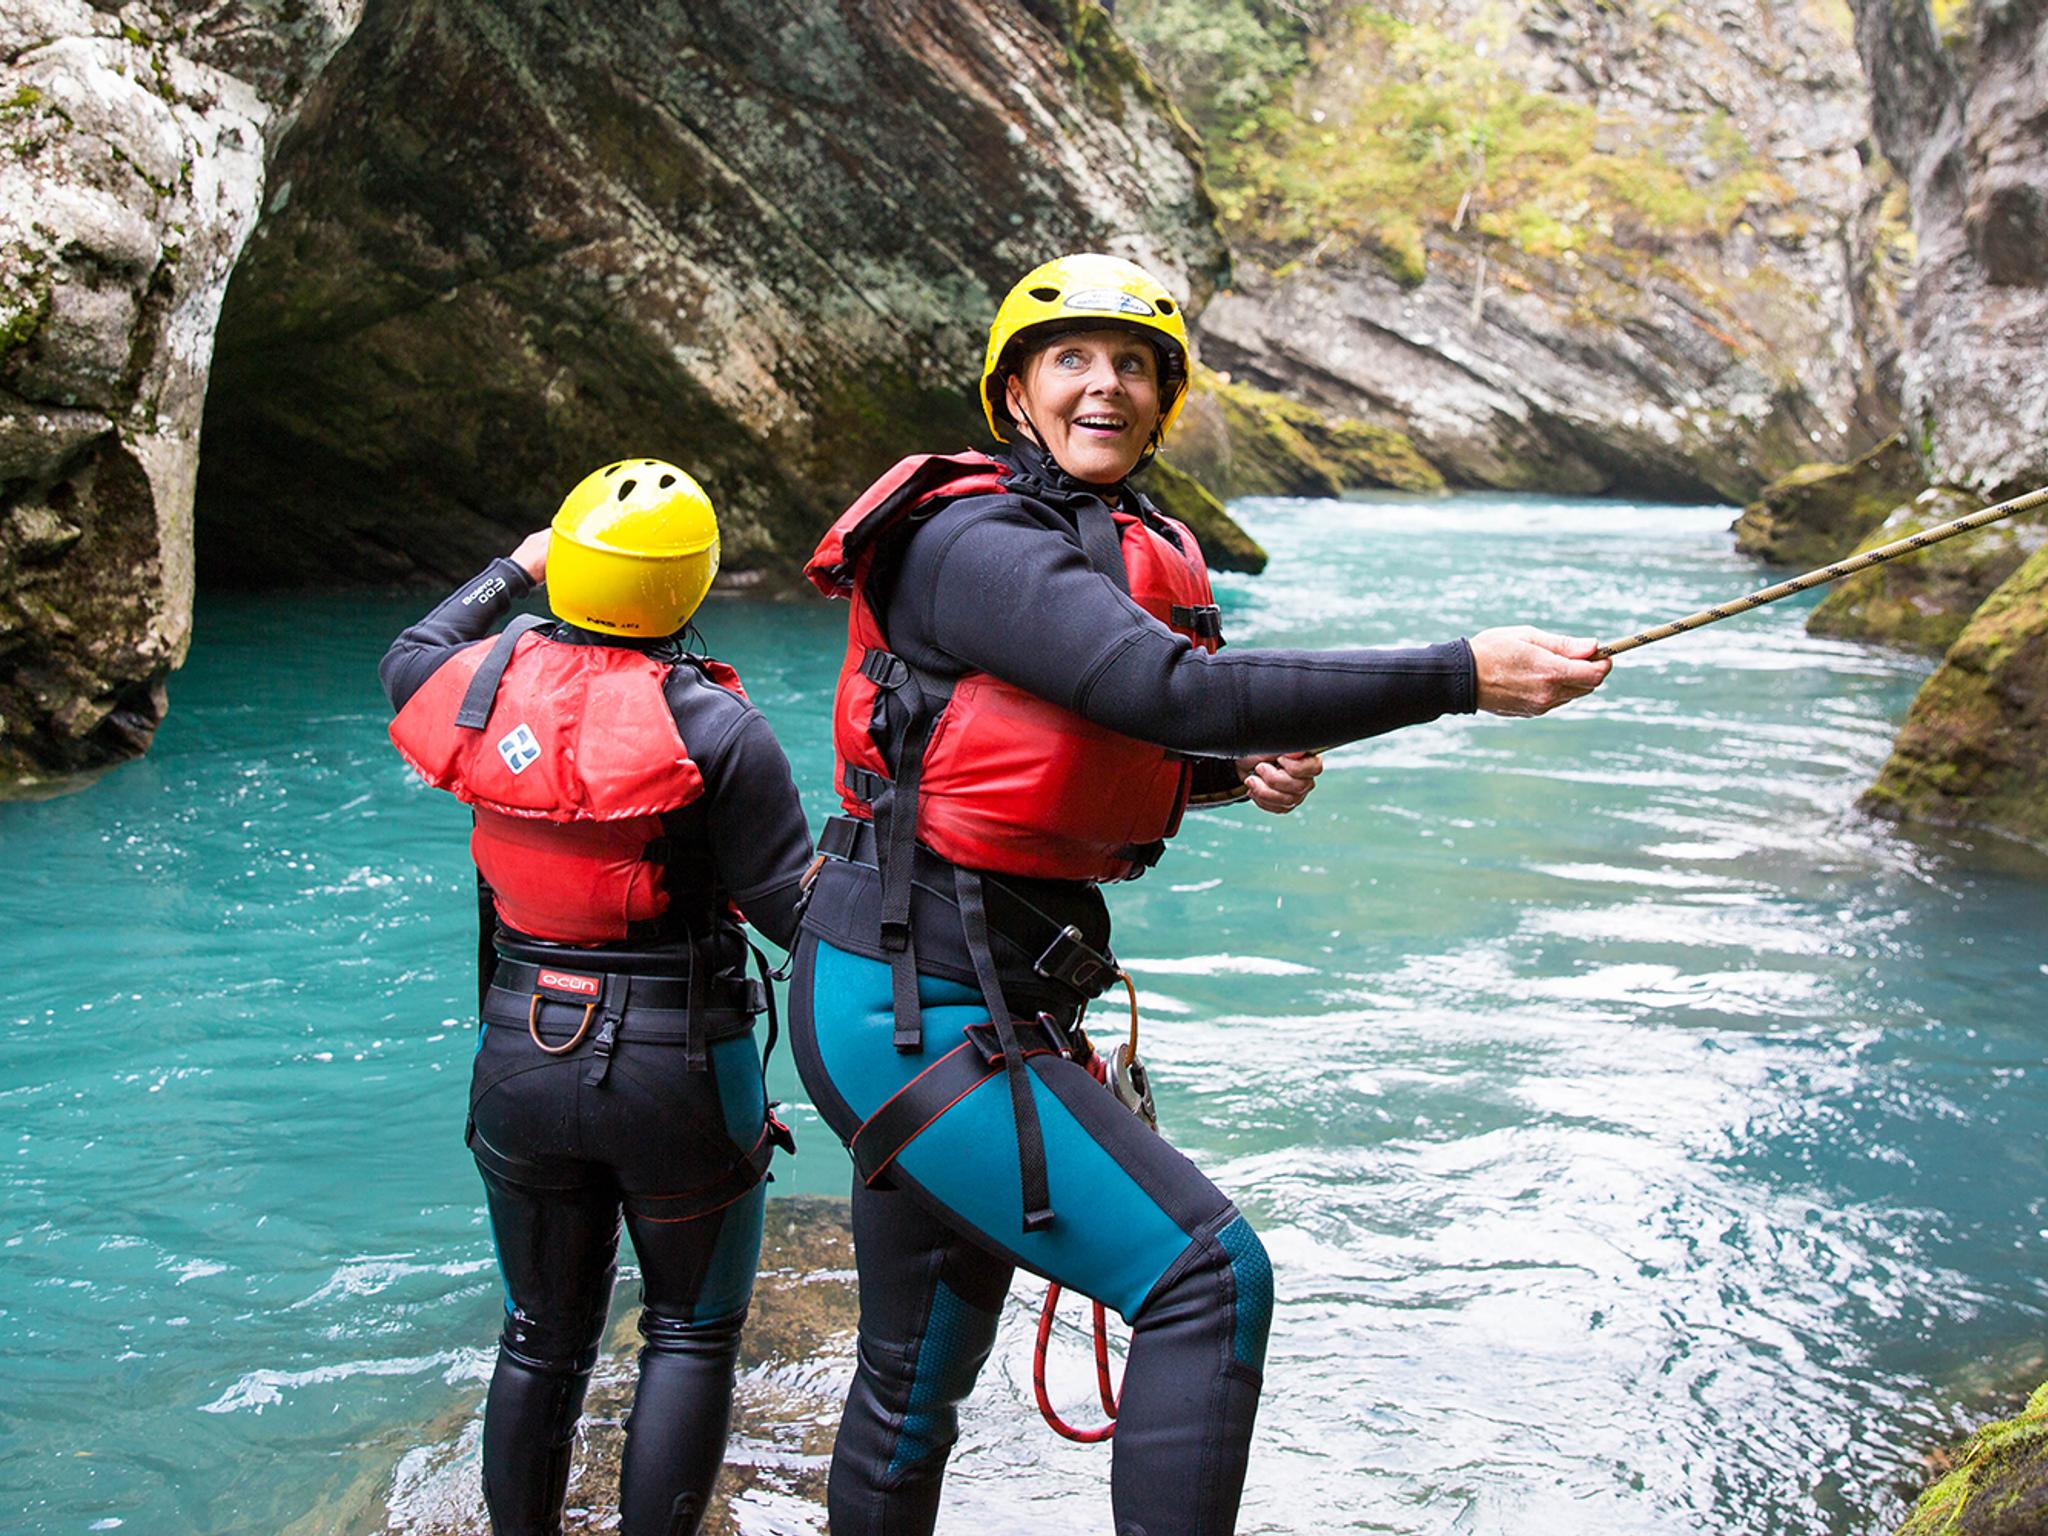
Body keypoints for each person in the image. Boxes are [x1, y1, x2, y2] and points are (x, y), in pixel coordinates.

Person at [789, 252, 1610, 1536]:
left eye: (1134, 366)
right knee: (1205, 1278)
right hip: (906, 997)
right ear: (1013, 391)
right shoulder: (968, 537)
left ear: (1165, 403)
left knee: (910, 1384)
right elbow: (1155, 692)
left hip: (973, 984)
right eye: (1071, 359)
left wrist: (1225, 776)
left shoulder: (1117, 546)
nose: (1103, 385)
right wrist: (1460, 672)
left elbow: (1096, 740)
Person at [380, 461, 812, 1536]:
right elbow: (793, 915)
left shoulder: (472, 684)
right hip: (677, 1064)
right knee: (690, 1331)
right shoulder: (717, 728)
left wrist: (510, 571)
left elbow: (409, 652)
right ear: (691, 584)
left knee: (539, 1332)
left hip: (519, 1049)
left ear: (567, 564)